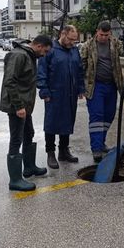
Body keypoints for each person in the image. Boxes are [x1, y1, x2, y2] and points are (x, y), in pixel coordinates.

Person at [0, 35, 52, 191]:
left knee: (29, 133)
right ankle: (15, 180)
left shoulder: (28, 55)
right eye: (45, 51)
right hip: (17, 106)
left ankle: (29, 167)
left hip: (25, 105)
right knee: (16, 139)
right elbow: (9, 81)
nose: (44, 55)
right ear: (39, 46)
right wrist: (18, 106)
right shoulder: (18, 55)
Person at [37, 25, 85, 169]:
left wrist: (81, 88)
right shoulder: (50, 50)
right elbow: (41, 72)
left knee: (68, 121)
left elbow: (79, 70)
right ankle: (50, 153)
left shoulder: (75, 50)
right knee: (51, 124)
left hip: (71, 93)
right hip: (54, 94)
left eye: (75, 40)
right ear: (62, 34)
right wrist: (44, 91)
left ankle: (64, 150)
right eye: (70, 39)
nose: (72, 42)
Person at [80, 21, 124, 163]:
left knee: (109, 115)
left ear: (110, 33)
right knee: (97, 117)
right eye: (101, 35)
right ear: (96, 31)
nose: (104, 38)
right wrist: (81, 87)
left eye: (106, 35)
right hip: (95, 86)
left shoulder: (116, 44)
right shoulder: (87, 46)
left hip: (112, 85)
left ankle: (102, 142)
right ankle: (96, 149)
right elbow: (81, 66)